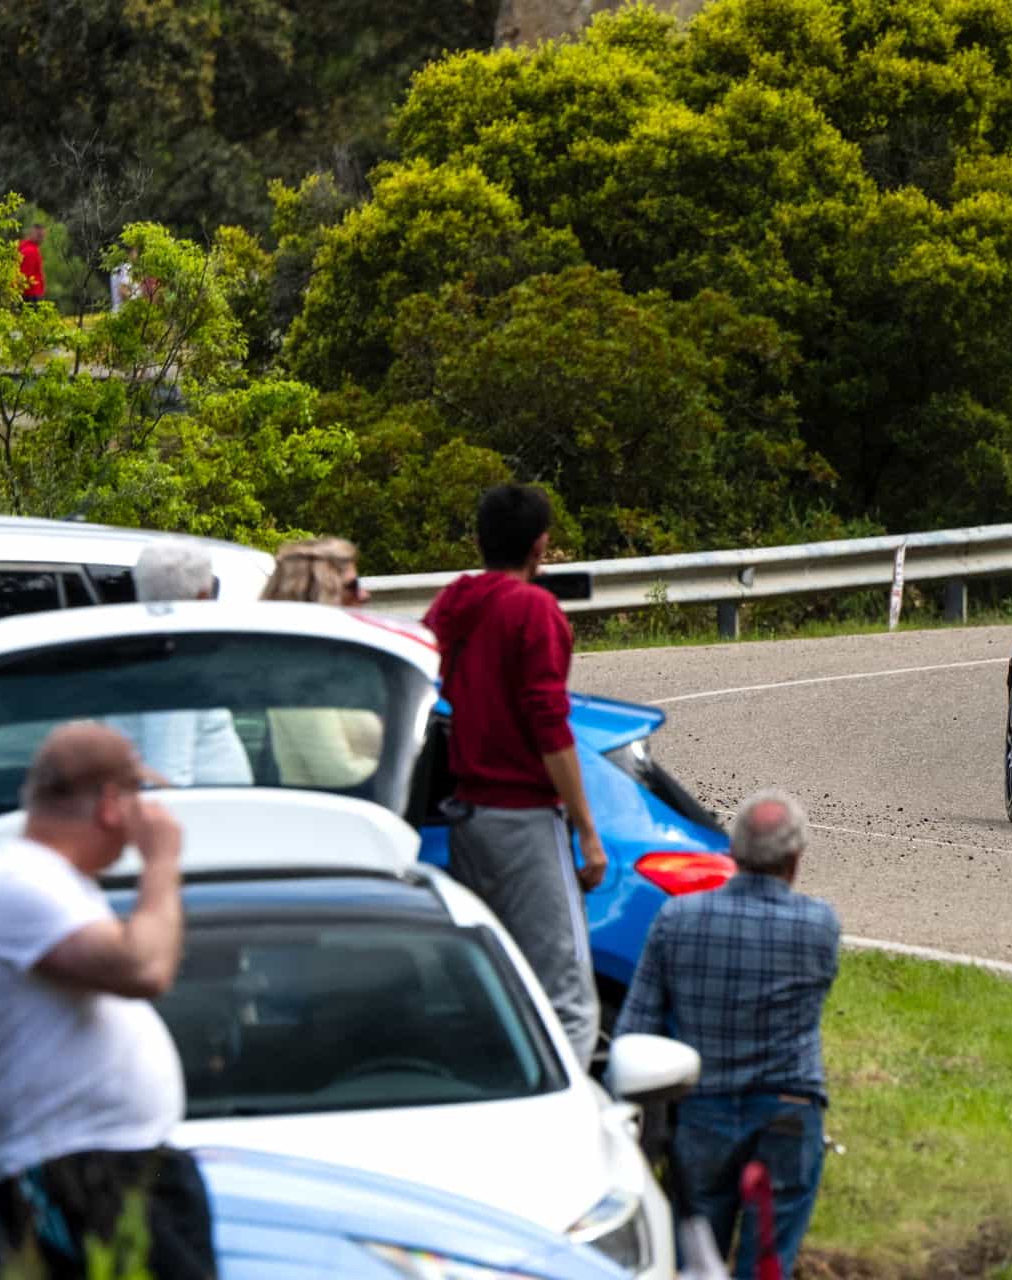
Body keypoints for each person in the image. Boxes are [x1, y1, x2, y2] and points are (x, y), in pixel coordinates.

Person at [0, 723, 214, 1280]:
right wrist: (162, 863)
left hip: (116, 1160)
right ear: (108, 802)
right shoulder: (19, 880)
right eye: (138, 794)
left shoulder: (59, 882)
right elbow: (144, 967)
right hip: (76, 1166)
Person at [615, 790, 839, 1279]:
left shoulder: (678, 919)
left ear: (733, 853)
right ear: (794, 859)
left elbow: (636, 1028)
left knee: (694, 1256)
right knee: (765, 1263)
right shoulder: (819, 926)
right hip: (787, 1109)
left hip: (703, 1110)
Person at [422, 485, 607, 1065]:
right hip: (525, 818)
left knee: (494, 984)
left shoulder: (454, 603)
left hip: (469, 818)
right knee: (567, 998)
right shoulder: (533, 610)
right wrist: (585, 828)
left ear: (478, 541)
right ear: (540, 547)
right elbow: (548, 726)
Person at [107, 543, 253, 787]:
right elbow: (167, 777)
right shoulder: (170, 667)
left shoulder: (145, 653)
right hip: (205, 819)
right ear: (204, 597)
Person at [258, 538, 382, 787]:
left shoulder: (336, 667)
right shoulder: (299, 677)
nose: (364, 595)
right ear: (321, 595)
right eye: (352, 586)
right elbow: (337, 773)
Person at [17, 224, 45, 306]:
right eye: (39, 235)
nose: (42, 239)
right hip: (30, 295)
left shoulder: (25, 247)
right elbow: (25, 275)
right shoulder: (30, 251)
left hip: (29, 293)